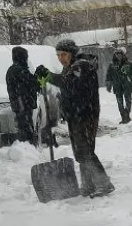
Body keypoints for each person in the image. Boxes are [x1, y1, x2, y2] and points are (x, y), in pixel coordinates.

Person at [35, 39, 115, 198]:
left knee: (85, 151)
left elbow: (69, 83)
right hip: (76, 115)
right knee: (81, 153)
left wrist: (49, 76)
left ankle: (104, 184)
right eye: (57, 55)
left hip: (85, 115)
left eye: (63, 54)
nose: (60, 58)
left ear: (71, 53)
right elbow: (68, 86)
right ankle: (88, 186)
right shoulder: (71, 67)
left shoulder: (82, 65)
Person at [5, 45, 39, 142]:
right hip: (22, 105)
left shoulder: (13, 70)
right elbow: (32, 82)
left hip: (21, 104)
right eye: (26, 56)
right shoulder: (19, 70)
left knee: (25, 127)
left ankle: (27, 146)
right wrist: (37, 76)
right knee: (26, 129)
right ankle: (28, 148)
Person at [106, 48, 132, 124]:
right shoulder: (112, 65)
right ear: (115, 55)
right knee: (119, 102)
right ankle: (124, 117)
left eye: (120, 54)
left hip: (127, 85)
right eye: (117, 54)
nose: (119, 56)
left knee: (128, 101)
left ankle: (127, 115)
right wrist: (109, 85)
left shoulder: (128, 64)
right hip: (117, 86)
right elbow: (109, 76)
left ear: (123, 55)